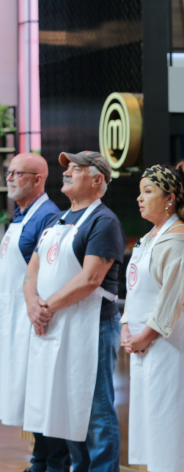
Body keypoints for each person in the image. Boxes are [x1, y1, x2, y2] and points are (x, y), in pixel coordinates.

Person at [23, 151, 126, 472]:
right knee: (67, 406)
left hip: (91, 326)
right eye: (66, 168)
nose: (66, 172)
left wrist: (45, 308)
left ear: (97, 180)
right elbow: (32, 271)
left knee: (95, 410)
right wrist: (32, 303)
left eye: (76, 168)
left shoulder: (104, 221)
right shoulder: (57, 221)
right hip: (56, 326)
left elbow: (90, 278)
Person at [120, 162, 184, 472]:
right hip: (144, 344)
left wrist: (145, 335)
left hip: (170, 343)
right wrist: (125, 325)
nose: (139, 198)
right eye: (139, 192)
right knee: (150, 422)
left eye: (148, 191)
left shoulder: (180, 237)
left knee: (167, 423)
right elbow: (135, 289)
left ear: (169, 197)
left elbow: (172, 296)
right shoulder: (149, 238)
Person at [0, 154, 68, 472]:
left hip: (34, 320)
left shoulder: (47, 217)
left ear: (38, 179)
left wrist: (37, 308)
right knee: (27, 395)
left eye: (18, 173)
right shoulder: (19, 216)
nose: (10, 178)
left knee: (41, 394)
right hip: (13, 319)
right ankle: (39, 459)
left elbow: (48, 271)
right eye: (8, 172)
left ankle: (52, 461)